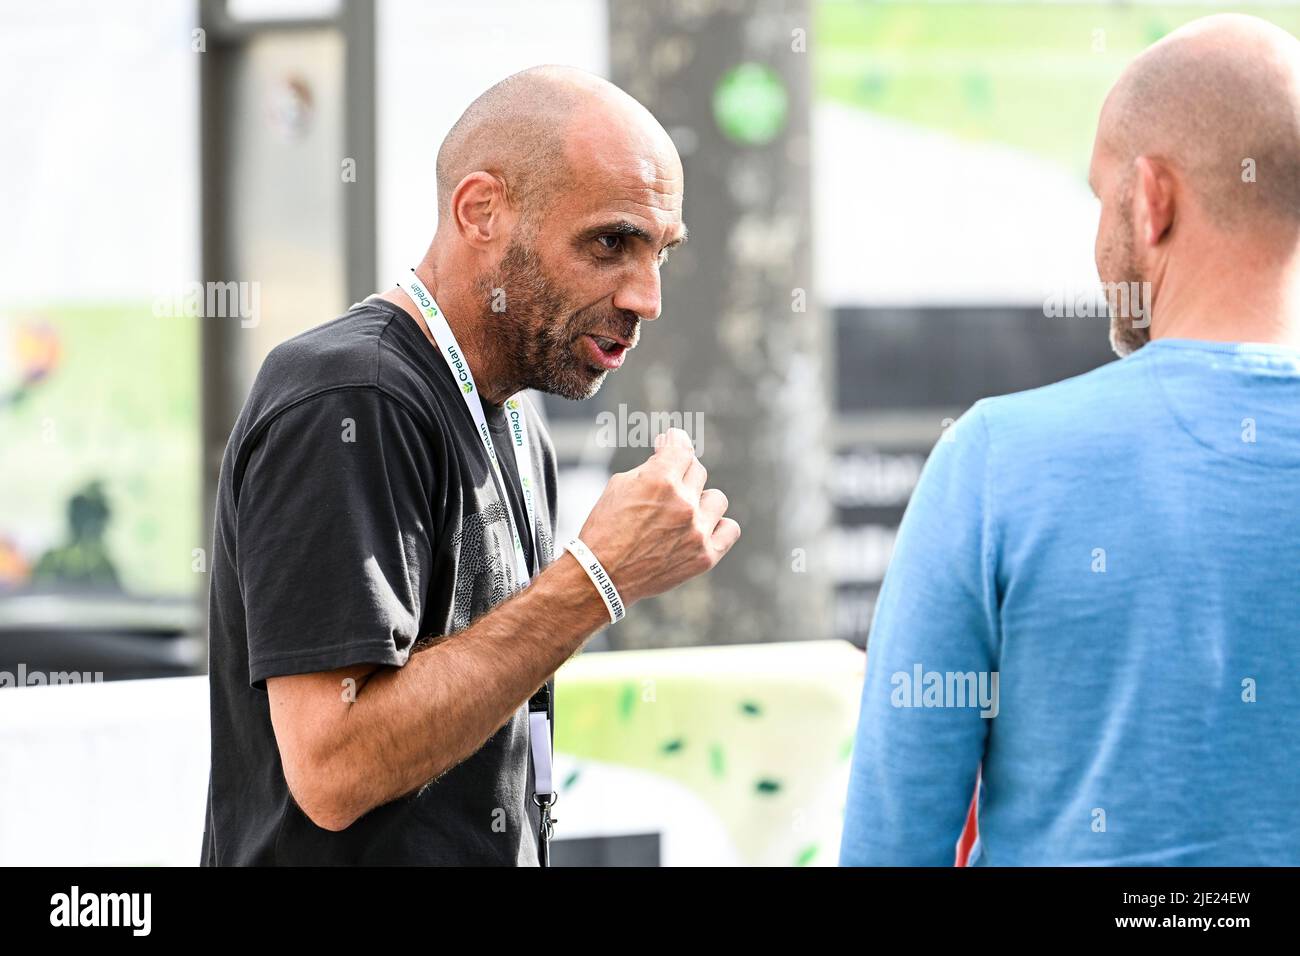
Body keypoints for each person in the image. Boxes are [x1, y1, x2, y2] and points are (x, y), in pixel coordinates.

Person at [201, 66, 740, 865]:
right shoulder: (351, 396)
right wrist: (595, 578)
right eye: (610, 242)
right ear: (480, 211)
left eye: (660, 251)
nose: (646, 297)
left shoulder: (516, 416)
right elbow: (334, 767)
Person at [841, 14, 1300, 866]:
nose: (1098, 243)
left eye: (1102, 196)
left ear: (1152, 198)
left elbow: (891, 843)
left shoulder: (996, 463)